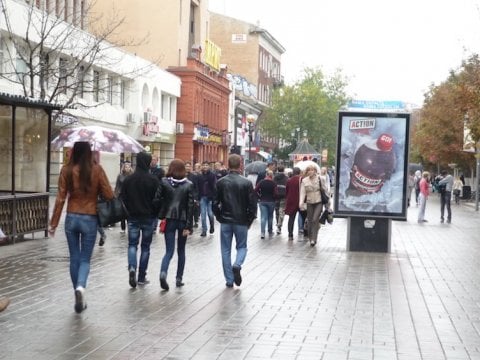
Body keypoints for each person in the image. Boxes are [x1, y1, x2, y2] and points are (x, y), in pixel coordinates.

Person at [49, 141, 114, 313]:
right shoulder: (97, 169)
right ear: (88, 153)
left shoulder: (66, 170)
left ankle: (77, 292)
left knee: (74, 258)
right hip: (89, 217)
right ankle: (80, 287)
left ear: (74, 153)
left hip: (71, 217)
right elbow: (109, 195)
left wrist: (53, 224)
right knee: (85, 259)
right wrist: (98, 190)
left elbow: (60, 198)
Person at [213, 154, 257, 288]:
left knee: (225, 249)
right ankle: (237, 264)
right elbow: (252, 204)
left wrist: (219, 217)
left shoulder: (221, 182)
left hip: (226, 219)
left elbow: (215, 203)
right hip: (241, 220)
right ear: (240, 165)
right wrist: (249, 219)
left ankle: (229, 279)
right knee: (242, 246)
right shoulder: (246, 183)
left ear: (228, 164)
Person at [121, 152, 161, 288]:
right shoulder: (153, 180)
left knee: (132, 244)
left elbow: (123, 198)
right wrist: (155, 213)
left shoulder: (129, 179)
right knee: (145, 247)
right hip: (148, 217)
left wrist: (128, 211)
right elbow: (157, 200)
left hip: (132, 216)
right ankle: (142, 276)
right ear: (148, 162)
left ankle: (132, 267)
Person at [158, 159, 194, 290]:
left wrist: (161, 214)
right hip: (183, 220)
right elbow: (190, 206)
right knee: (181, 250)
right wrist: (188, 226)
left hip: (169, 219)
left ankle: (163, 272)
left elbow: (157, 199)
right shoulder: (189, 184)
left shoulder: (164, 182)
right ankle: (179, 279)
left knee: (168, 251)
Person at [299, 165, 327, 246]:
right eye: (308, 170)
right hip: (309, 202)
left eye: (312, 170)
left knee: (315, 219)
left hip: (319, 202)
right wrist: (301, 202)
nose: (310, 172)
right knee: (310, 221)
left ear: (315, 171)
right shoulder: (304, 180)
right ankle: (311, 238)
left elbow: (325, 191)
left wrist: (328, 204)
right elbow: (302, 192)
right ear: (307, 172)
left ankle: (314, 238)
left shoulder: (320, 179)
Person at [255, 169, 277, 239]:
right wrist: (274, 198)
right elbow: (275, 193)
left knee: (263, 217)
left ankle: (262, 233)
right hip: (271, 201)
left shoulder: (261, 182)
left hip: (262, 201)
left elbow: (255, 190)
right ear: (272, 176)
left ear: (266, 175)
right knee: (270, 217)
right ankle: (270, 231)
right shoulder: (273, 183)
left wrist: (259, 196)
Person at [198, 161, 217, 237]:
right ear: (202, 166)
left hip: (210, 197)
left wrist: (214, 197)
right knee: (203, 214)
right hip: (202, 197)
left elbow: (214, 187)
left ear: (209, 166)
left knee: (210, 214)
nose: (205, 166)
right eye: (204, 165)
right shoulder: (199, 176)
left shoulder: (212, 175)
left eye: (207, 165)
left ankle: (212, 225)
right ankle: (204, 230)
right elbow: (198, 187)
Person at [115, 161, 133, 233]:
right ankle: (123, 228)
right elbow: (117, 186)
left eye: (128, 166)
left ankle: (130, 226)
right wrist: (116, 194)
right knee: (122, 212)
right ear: (123, 167)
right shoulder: (120, 176)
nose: (127, 168)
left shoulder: (132, 176)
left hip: (130, 196)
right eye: (126, 166)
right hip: (122, 195)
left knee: (129, 212)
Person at [284, 167, 302, 241]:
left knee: (291, 218)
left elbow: (287, 191)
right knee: (302, 217)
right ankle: (303, 230)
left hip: (291, 201)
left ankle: (290, 234)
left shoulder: (289, 180)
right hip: (300, 200)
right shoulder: (301, 180)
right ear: (299, 172)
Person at [149, 156, 165, 234]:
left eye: (154, 160)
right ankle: (151, 225)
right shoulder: (147, 169)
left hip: (157, 192)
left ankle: (154, 226)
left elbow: (162, 181)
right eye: (152, 160)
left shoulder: (160, 171)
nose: (153, 161)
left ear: (157, 161)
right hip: (149, 192)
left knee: (155, 210)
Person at [273, 164, 288, 234]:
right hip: (284, 196)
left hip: (276, 196)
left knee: (277, 211)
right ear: (284, 170)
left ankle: (277, 224)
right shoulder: (286, 178)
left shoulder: (275, 177)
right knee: (282, 211)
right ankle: (279, 225)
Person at [185, 161, 200, 228]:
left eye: (189, 166)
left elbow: (196, 187)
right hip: (183, 196)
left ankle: (190, 227)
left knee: (190, 213)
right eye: (186, 166)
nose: (187, 168)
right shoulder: (181, 175)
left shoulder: (194, 176)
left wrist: (196, 198)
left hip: (191, 197)